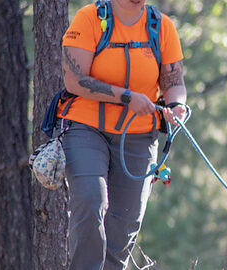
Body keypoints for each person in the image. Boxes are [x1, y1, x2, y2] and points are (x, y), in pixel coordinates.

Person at [57, 0, 187, 269]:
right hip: (86, 128)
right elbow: (74, 79)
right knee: (92, 200)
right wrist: (126, 97)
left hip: (140, 137)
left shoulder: (162, 27)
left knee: (124, 226)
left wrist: (176, 106)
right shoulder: (89, 18)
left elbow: (174, 84)